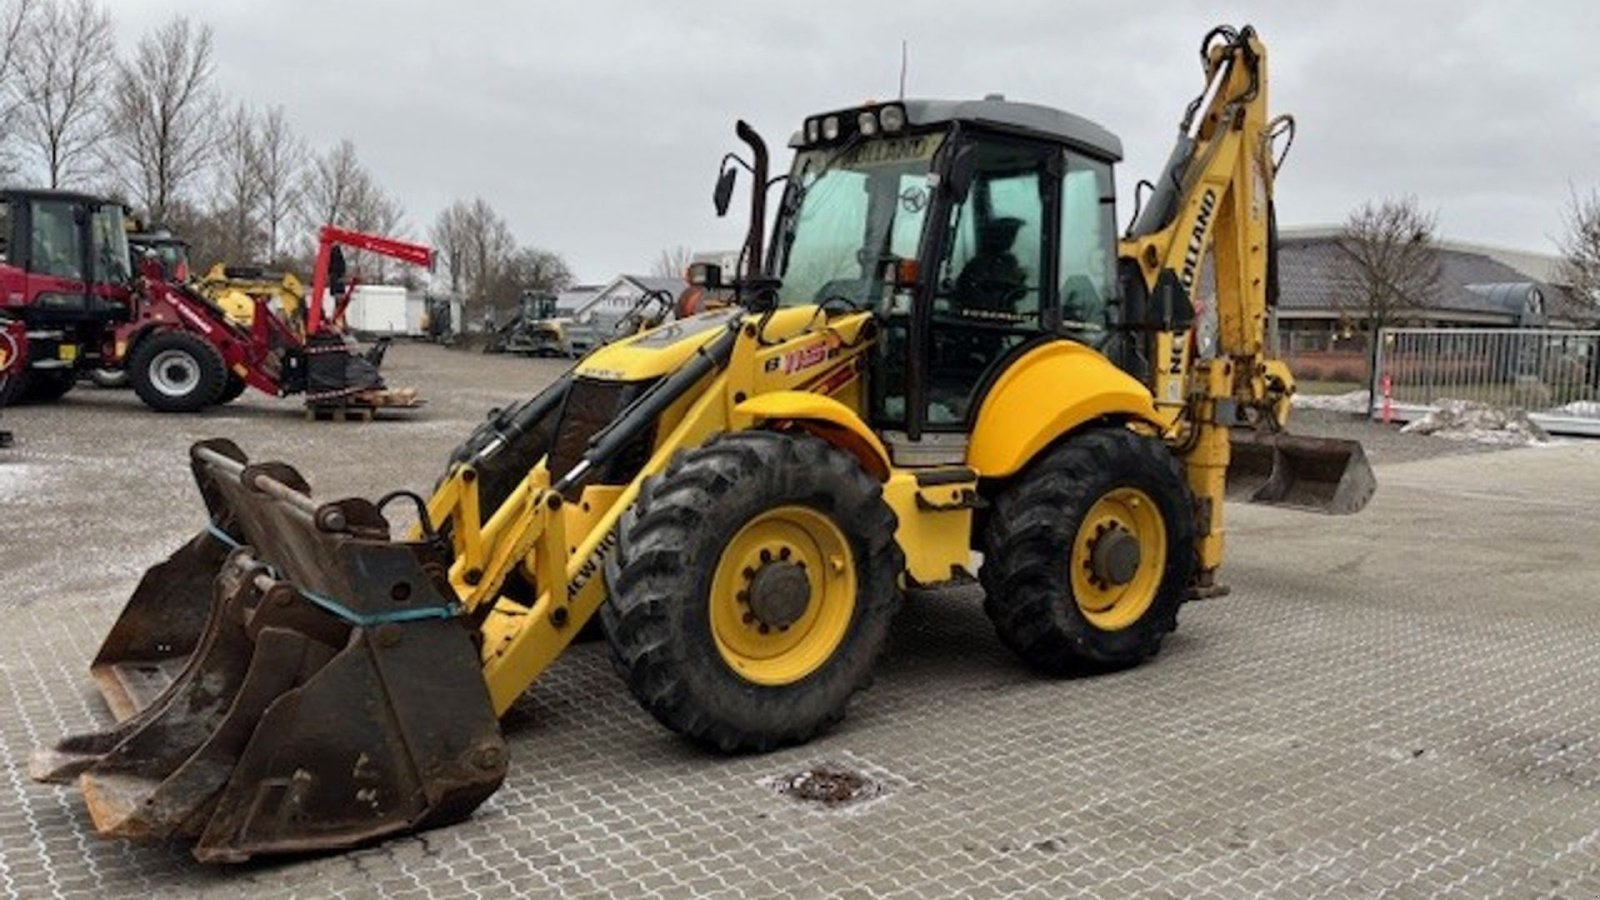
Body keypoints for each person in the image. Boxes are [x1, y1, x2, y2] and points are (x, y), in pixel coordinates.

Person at [953, 216, 1028, 313]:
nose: (1011, 241)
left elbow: (1018, 293)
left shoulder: (1009, 261)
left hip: (1005, 319)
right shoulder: (979, 265)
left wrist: (1020, 282)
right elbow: (972, 295)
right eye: (1007, 236)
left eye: (1012, 236)